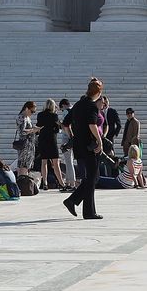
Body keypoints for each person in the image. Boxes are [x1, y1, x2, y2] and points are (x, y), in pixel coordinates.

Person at [61, 80, 106, 220]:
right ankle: (84, 208)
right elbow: (92, 125)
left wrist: (73, 136)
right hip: (89, 146)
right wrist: (99, 141)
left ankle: (77, 204)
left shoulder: (78, 104)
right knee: (93, 177)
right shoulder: (92, 106)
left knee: (92, 177)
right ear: (99, 92)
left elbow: (65, 124)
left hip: (79, 146)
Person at [37, 100, 65, 190]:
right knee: (55, 162)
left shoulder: (40, 115)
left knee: (44, 162)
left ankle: (45, 182)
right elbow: (57, 129)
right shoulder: (54, 116)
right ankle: (61, 182)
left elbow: (38, 126)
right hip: (51, 140)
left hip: (42, 140)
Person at [15, 102, 40, 189]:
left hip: (29, 144)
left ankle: (23, 184)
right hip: (25, 145)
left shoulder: (27, 117)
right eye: (32, 111)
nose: (32, 113)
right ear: (26, 108)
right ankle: (22, 185)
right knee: (23, 164)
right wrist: (33, 130)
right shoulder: (22, 117)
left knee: (26, 165)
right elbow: (22, 132)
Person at [122, 107, 145, 188]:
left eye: (130, 113)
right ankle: (131, 179)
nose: (129, 115)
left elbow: (136, 135)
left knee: (135, 164)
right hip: (126, 144)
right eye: (127, 113)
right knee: (129, 163)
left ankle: (141, 181)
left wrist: (132, 145)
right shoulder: (127, 122)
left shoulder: (136, 122)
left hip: (131, 145)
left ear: (133, 113)